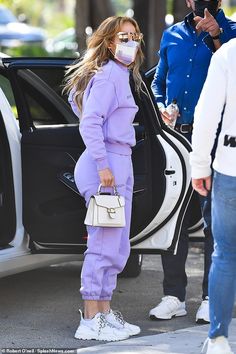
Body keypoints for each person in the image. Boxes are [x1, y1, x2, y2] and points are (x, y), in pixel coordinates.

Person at [150, 0, 236, 324]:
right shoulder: (171, 34)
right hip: (176, 140)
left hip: (215, 144)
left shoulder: (232, 34)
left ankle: (210, 296)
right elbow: (158, 81)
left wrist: (217, 35)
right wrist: (160, 105)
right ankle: (173, 295)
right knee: (172, 219)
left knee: (215, 221)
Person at [63, 16, 144, 342]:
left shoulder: (119, 75)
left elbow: (79, 105)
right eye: (124, 36)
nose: (131, 41)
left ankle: (105, 313)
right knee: (103, 244)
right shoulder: (110, 75)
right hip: (106, 165)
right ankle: (90, 318)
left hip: (118, 162)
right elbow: (90, 123)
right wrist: (103, 165)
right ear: (109, 42)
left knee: (117, 244)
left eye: (134, 36)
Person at [190, 38, 236, 354]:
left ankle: (218, 338)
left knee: (225, 254)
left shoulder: (228, 54)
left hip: (230, 166)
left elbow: (206, 115)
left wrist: (199, 165)